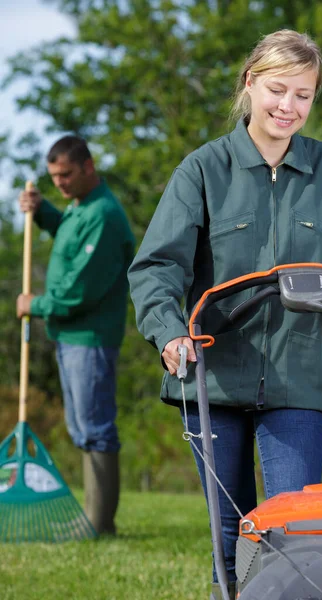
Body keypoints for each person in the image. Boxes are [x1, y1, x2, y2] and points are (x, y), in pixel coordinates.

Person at [128, 30, 322, 599]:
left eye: (304, 95)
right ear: (249, 84)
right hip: (212, 373)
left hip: (301, 375)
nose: (288, 107)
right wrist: (169, 332)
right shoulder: (202, 171)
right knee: (229, 534)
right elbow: (156, 267)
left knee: (293, 532)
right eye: (278, 89)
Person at [17, 135, 135, 535]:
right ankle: (92, 517)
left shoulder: (103, 215)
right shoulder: (79, 208)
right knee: (81, 426)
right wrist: (42, 211)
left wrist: (33, 304)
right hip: (70, 337)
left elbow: (77, 291)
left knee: (94, 427)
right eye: (53, 177)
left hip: (91, 337)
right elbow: (67, 232)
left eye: (66, 175)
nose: (60, 183)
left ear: (88, 167)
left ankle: (99, 523)